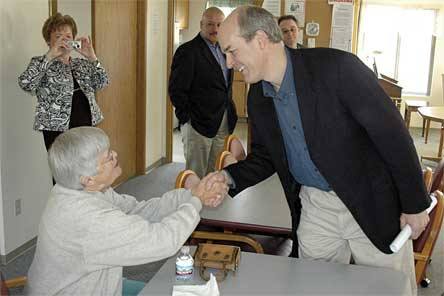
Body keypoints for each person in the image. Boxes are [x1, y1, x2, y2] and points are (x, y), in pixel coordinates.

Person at [215, 6, 430, 295]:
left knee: (389, 287)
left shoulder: (338, 69)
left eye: (232, 51)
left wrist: (415, 204)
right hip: (315, 205)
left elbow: (393, 136)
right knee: (313, 286)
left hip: (371, 200)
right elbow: (267, 155)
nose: (229, 63)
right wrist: (228, 177)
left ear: (261, 40)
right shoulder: (259, 97)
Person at [25, 127, 228, 295]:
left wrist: (191, 194)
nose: (115, 156)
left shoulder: (80, 189)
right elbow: (161, 241)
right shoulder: (86, 218)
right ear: (88, 178)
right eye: (107, 158)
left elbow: (138, 210)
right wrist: (196, 201)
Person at [18, 13, 109, 151]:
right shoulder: (41, 63)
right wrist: (50, 55)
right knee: (64, 170)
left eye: (68, 36)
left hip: (87, 125)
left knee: (90, 167)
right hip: (57, 129)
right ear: (49, 41)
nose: (64, 40)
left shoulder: (82, 64)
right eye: (58, 37)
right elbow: (26, 83)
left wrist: (92, 57)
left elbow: (102, 82)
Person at [169, 7, 238, 178]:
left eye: (219, 24)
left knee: (216, 169)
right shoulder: (188, 51)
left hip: (222, 121)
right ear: (201, 25)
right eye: (210, 24)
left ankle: (211, 201)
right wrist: (187, 119)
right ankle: (193, 204)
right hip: (198, 124)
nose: (215, 29)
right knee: (196, 173)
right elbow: (176, 90)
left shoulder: (225, 49)